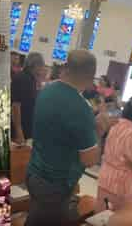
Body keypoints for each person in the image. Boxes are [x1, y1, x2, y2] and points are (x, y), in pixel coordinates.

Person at [25, 49, 99, 226]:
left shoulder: (46, 90)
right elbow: (90, 159)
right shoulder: (81, 108)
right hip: (55, 184)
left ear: (67, 68)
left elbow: (59, 130)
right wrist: (100, 130)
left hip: (34, 173)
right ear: (90, 78)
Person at [95, 99, 132, 212]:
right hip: (121, 185)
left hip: (105, 178)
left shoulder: (114, 125)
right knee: (118, 219)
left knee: (100, 217)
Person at [11, 52, 45, 144]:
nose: (42, 69)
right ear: (35, 65)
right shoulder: (22, 78)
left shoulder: (31, 79)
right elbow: (15, 106)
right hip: (20, 128)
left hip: (27, 125)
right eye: (41, 66)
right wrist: (18, 130)